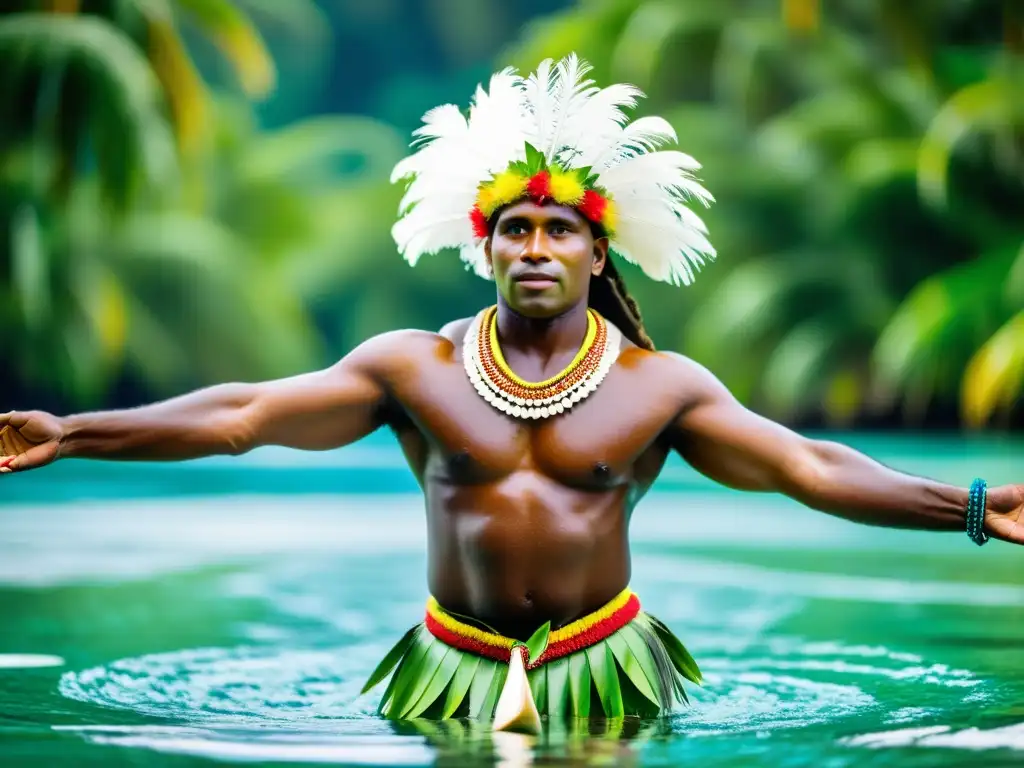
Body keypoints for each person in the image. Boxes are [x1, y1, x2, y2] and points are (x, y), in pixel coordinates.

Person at [1, 55, 1021, 735]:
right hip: (454, 668)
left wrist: (972, 508)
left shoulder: (658, 386)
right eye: (515, 231)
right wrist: (75, 431)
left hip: (602, 667)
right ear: (481, 247)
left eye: (559, 229)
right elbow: (243, 416)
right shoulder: (415, 369)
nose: (536, 248)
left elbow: (807, 465)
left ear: (596, 248)